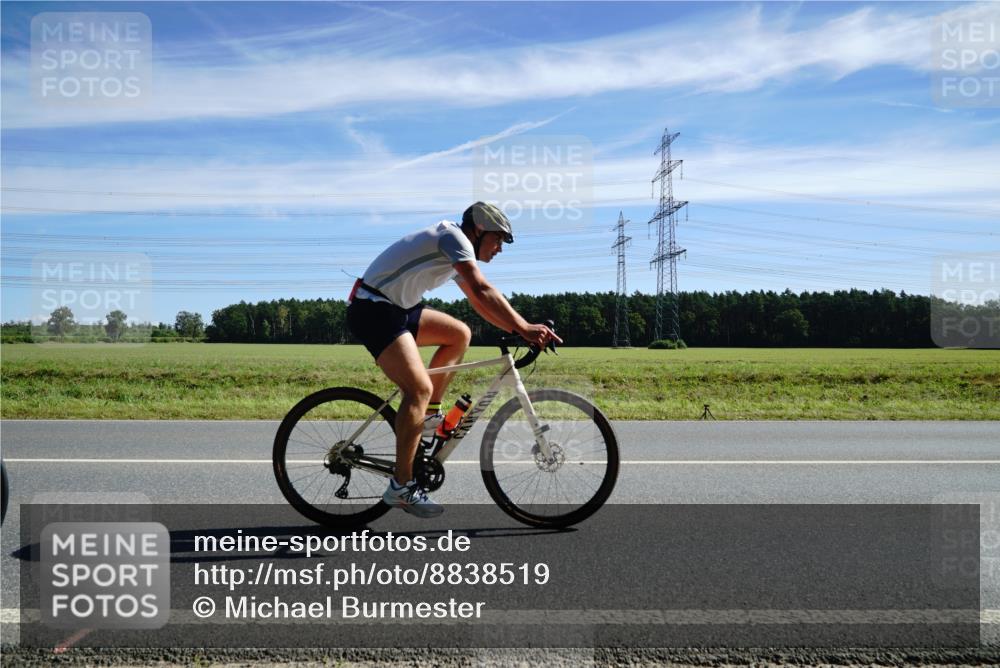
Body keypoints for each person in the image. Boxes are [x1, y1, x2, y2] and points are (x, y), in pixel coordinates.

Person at [346, 202, 562, 518]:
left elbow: (478, 300)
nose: (499, 248)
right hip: (373, 309)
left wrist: (517, 329)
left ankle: (430, 416)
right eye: (498, 239)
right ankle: (401, 486)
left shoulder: (458, 253)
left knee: (459, 334)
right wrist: (525, 327)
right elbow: (482, 288)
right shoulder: (454, 238)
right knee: (416, 390)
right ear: (478, 231)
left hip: (398, 309)